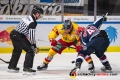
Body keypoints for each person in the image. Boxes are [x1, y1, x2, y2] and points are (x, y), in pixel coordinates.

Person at [8, 6, 43, 74]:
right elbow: (31, 36)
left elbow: (27, 33)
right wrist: (34, 46)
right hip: (18, 35)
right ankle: (27, 67)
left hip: (13, 34)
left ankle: (12, 66)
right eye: (40, 14)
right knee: (30, 50)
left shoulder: (28, 17)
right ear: (36, 13)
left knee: (17, 50)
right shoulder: (33, 22)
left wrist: (32, 43)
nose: (40, 16)